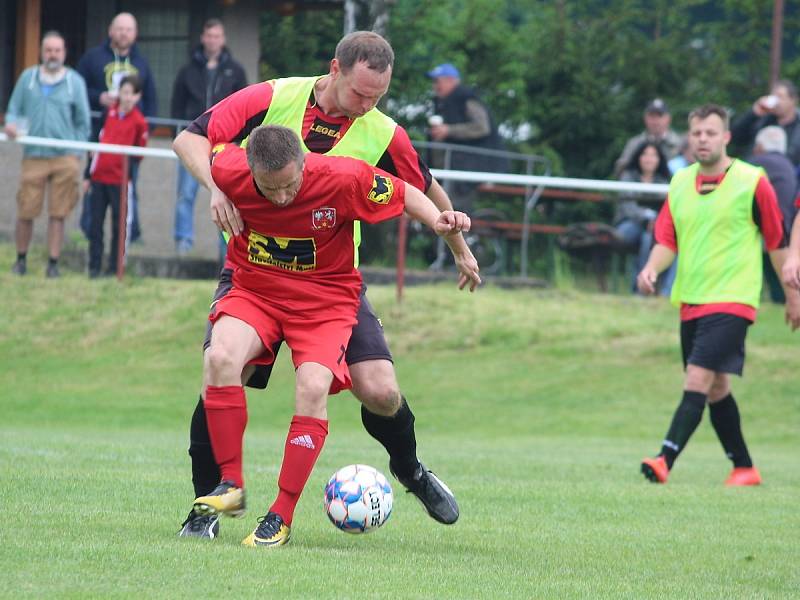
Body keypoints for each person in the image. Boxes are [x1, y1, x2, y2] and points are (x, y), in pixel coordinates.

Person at [173, 31, 481, 539]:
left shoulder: (383, 133)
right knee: (224, 369)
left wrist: (460, 249)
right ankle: (207, 507)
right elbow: (190, 137)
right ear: (334, 68)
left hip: (330, 283)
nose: (367, 106)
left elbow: (421, 193)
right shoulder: (273, 98)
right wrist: (215, 190)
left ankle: (411, 471)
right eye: (361, 94)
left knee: (381, 392)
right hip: (257, 270)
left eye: (378, 97)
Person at [636, 104, 800, 487]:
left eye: (710, 133)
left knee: (697, 378)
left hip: (734, 299)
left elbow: (777, 242)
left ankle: (664, 459)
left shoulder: (752, 180)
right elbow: (666, 239)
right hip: (691, 298)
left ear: (726, 137)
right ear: (689, 137)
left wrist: (793, 296)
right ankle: (744, 468)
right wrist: (651, 269)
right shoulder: (679, 182)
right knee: (716, 388)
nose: (703, 139)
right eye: (696, 133)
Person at [4, 31, 90, 278]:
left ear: (64, 53)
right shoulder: (27, 79)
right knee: (26, 210)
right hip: (34, 156)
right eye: (49, 50)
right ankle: (20, 261)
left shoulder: (75, 82)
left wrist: (75, 153)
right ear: (42, 52)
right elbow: (12, 111)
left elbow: (83, 124)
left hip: (64, 158)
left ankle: (53, 264)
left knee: (58, 213)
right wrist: (11, 124)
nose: (53, 54)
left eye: (57, 50)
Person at [77, 12, 157, 243]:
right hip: (99, 136)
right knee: (93, 186)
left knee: (128, 190)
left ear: (135, 34)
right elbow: (78, 89)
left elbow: (151, 99)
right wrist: (98, 97)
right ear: (111, 31)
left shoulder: (142, 63)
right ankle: (88, 230)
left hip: (129, 142)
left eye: (128, 29)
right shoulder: (92, 58)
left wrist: (146, 132)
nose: (124, 33)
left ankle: (130, 235)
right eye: (119, 28)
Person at [170, 18, 247, 256]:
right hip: (194, 141)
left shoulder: (235, 71)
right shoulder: (187, 70)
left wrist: (238, 142)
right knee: (186, 194)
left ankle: (226, 250)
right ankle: (183, 245)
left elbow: (245, 107)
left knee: (227, 195)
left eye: (217, 36)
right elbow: (176, 104)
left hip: (225, 146)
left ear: (222, 39)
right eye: (209, 35)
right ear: (203, 38)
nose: (212, 40)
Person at [86, 75, 148, 278]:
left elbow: (139, 153)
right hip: (99, 177)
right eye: (124, 92)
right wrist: (88, 174)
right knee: (95, 224)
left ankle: (115, 268)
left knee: (119, 224)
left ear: (138, 96)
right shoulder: (108, 112)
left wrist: (127, 169)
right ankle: (94, 267)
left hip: (120, 181)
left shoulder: (139, 121)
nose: (127, 97)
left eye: (132, 93)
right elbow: (95, 141)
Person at [426, 62, 507, 214]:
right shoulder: (443, 102)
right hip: (455, 168)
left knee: (455, 210)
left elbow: (482, 127)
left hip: (474, 167)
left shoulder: (465, 98)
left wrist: (449, 130)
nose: (435, 85)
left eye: (438, 81)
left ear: (451, 80)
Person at [613, 141, 673, 294]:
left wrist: (656, 222)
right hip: (629, 224)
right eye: (645, 154)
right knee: (646, 237)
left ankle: (665, 291)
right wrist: (646, 219)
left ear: (659, 159)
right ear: (638, 157)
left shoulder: (664, 180)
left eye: (653, 155)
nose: (649, 159)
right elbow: (628, 207)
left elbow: (668, 207)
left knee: (658, 239)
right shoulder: (628, 176)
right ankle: (639, 288)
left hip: (656, 227)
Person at [748, 126, 799, 303]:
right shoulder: (789, 166)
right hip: (787, 230)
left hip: (767, 232)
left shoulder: (754, 163)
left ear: (759, 147)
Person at [731, 80, 800, 167]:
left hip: (785, 176)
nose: (776, 101)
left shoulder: (797, 126)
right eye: (773, 96)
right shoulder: (763, 119)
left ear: (793, 100)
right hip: (755, 172)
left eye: (780, 96)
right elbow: (735, 137)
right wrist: (753, 113)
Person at [614, 99, 683, 178]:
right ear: (645, 118)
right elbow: (621, 169)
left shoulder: (680, 143)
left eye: (659, 116)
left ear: (668, 118)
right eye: (651, 116)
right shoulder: (635, 143)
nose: (655, 120)